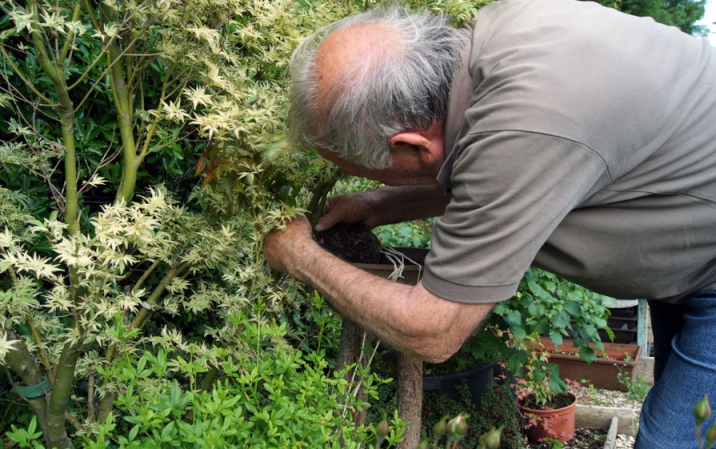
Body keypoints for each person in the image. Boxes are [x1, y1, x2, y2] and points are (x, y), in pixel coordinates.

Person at [262, 0, 716, 447]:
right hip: (690, 247)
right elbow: (489, 166)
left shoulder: (527, 127)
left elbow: (432, 330)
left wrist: (297, 254)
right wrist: (381, 204)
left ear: (413, 146)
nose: (367, 177)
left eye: (366, 168)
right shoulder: (498, 36)